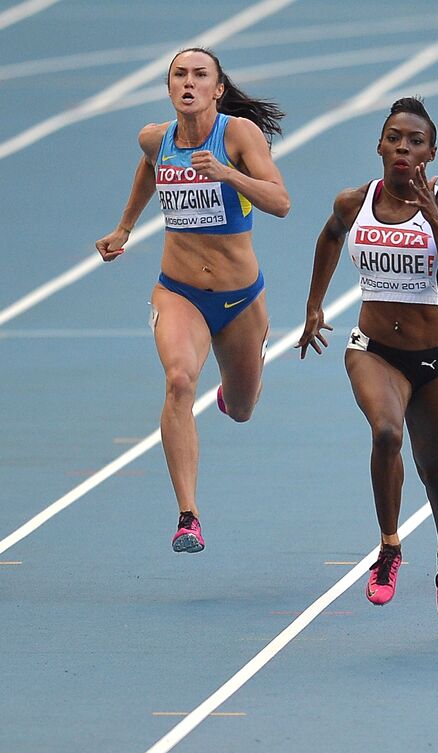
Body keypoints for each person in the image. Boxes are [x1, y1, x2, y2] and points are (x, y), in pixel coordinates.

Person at [96, 47, 289, 553]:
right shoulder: (156, 139)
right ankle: (188, 516)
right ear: (169, 87)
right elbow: (148, 166)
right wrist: (124, 227)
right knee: (179, 381)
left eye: (200, 75)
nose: (188, 82)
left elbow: (281, 202)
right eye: (179, 74)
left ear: (217, 89)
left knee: (243, 409)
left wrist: (229, 174)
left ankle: (234, 389)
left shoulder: (237, 135)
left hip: (241, 299)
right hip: (179, 291)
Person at [298, 97, 438, 621]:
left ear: (431, 152)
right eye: (395, 137)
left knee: (436, 470)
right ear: (380, 145)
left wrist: (430, 217)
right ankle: (390, 547)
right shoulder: (355, 202)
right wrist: (314, 305)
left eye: (415, 141)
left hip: (435, 360)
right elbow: (330, 237)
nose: (404, 147)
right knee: (385, 433)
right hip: (374, 351)